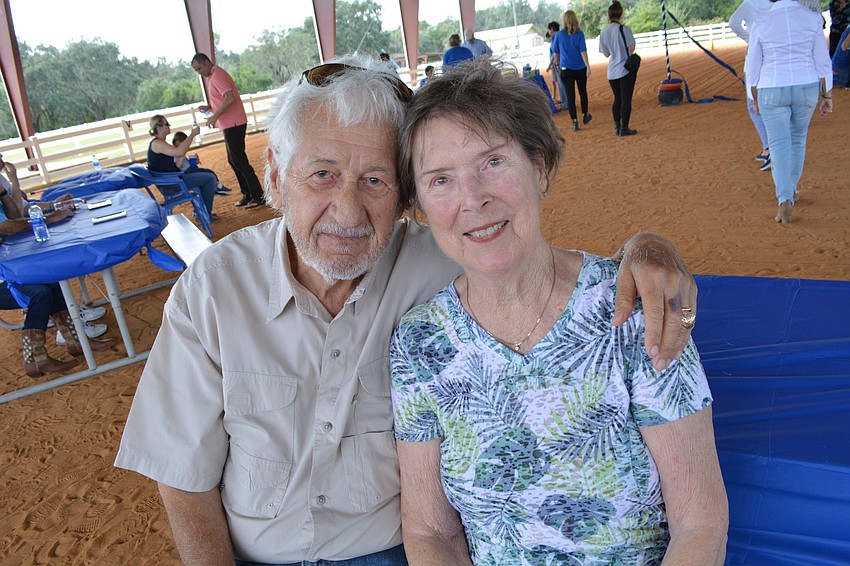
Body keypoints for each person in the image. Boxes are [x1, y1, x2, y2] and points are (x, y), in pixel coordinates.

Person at [115, 55, 700, 565]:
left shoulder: (446, 259)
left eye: (375, 179)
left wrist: (649, 248)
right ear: (274, 179)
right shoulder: (214, 289)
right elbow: (182, 481)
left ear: (402, 196)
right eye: (322, 175)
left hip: (390, 553)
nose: (348, 211)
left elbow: (532, 256)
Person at [391, 58, 728, 565]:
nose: (473, 199)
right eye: (441, 180)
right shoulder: (421, 345)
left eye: (493, 163)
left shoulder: (634, 304)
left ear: (540, 166)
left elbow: (699, 522)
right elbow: (431, 533)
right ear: (419, 204)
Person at [0, 162, 115, 378]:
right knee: (41, 293)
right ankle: (35, 359)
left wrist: (5, 189)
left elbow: (15, 214)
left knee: (51, 277)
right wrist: (49, 218)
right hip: (4, 277)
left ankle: (76, 340)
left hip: (8, 267)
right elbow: (6, 227)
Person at [745, 0, 833, 224]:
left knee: (778, 144)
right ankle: (791, 189)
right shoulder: (812, 19)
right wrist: (827, 94)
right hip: (806, 85)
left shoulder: (761, 22)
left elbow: (752, 66)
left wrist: (752, 98)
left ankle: (784, 197)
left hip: (771, 86)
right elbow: (823, 62)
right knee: (798, 139)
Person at [191, 52, 265, 209]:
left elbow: (230, 98)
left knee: (240, 161)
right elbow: (223, 98)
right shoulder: (213, 76)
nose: (199, 73)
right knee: (234, 161)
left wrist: (214, 116)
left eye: (199, 68)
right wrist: (210, 108)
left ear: (205, 62)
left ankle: (258, 195)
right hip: (229, 123)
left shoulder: (217, 75)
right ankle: (248, 194)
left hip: (234, 123)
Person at [729, 0, 774, 171]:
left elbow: (733, 23)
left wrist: (751, 39)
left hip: (756, 57)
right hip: (775, 55)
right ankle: (772, 147)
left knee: (753, 104)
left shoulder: (750, 3)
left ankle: (770, 148)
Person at [147, 115, 218, 220]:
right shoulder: (157, 143)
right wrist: (192, 134)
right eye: (166, 124)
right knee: (209, 178)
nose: (169, 126)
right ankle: (204, 214)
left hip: (173, 179)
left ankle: (201, 212)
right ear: (159, 127)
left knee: (208, 174)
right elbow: (179, 152)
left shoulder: (159, 143)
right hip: (172, 183)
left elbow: (176, 159)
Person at [598, 1, 638, 136]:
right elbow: (632, 47)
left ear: (609, 15)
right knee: (626, 99)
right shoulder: (624, 29)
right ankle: (624, 127)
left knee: (617, 99)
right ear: (620, 14)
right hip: (625, 69)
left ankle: (617, 126)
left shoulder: (604, 33)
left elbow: (606, 54)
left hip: (612, 71)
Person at [551, 10, 592, 132]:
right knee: (582, 92)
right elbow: (583, 51)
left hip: (566, 70)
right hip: (580, 68)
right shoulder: (579, 34)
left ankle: (574, 121)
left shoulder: (559, 35)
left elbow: (555, 52)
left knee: (570, 96)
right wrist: (588, 66)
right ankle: (585, 115)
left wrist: (557, 64)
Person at [171, 130, 232, 196]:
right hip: (187, 172)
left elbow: (185, 164)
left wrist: (194, 162)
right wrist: (182, 154)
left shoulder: (179, 152)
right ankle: (217, 188)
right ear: (177, 142)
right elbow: (178, 165)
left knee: (208, 172)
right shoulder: (175, 153)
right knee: (208, 173)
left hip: (189, 169)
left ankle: (216, 188)